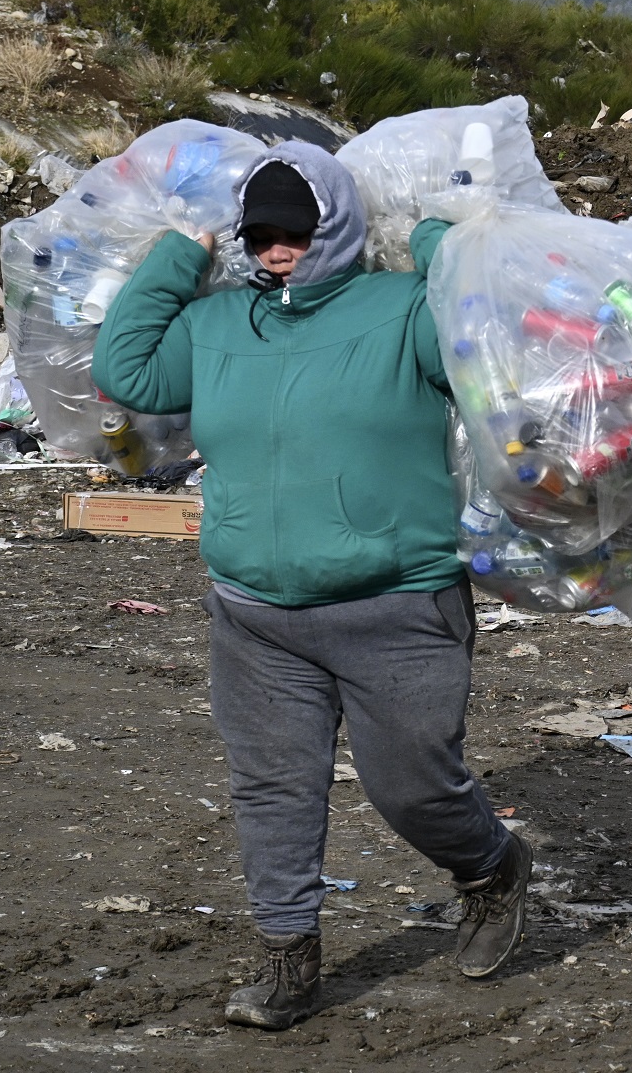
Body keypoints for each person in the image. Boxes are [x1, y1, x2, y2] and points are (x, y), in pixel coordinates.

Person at [92, 143, 532, 1031]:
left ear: (334, 227)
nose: (276, 248)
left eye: (295, 230)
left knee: (412, 788)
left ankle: (490, 869)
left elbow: (499, 351)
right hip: (254, 614)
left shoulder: (401, 308)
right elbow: (126, 372)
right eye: (261, 233)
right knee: (273, 788)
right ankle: (288, 960)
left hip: (398, 603)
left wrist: (438, 243)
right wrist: (179, 254)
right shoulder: (218, 326)